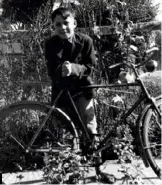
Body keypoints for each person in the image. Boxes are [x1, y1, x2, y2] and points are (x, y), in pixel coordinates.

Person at [44, 7, 115, 183]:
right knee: (67, 133)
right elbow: (50, 71)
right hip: (62, 93)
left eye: (66, 23)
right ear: (53, 27)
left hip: (83, 90)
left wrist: (74, 69)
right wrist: (61, 70)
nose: (62, 28)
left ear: (74, 24)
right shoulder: (50, 44)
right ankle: (72, 172)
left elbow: (91, 67)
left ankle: (98, 170)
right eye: (57, 24)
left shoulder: (86, 41)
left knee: (91, 129)